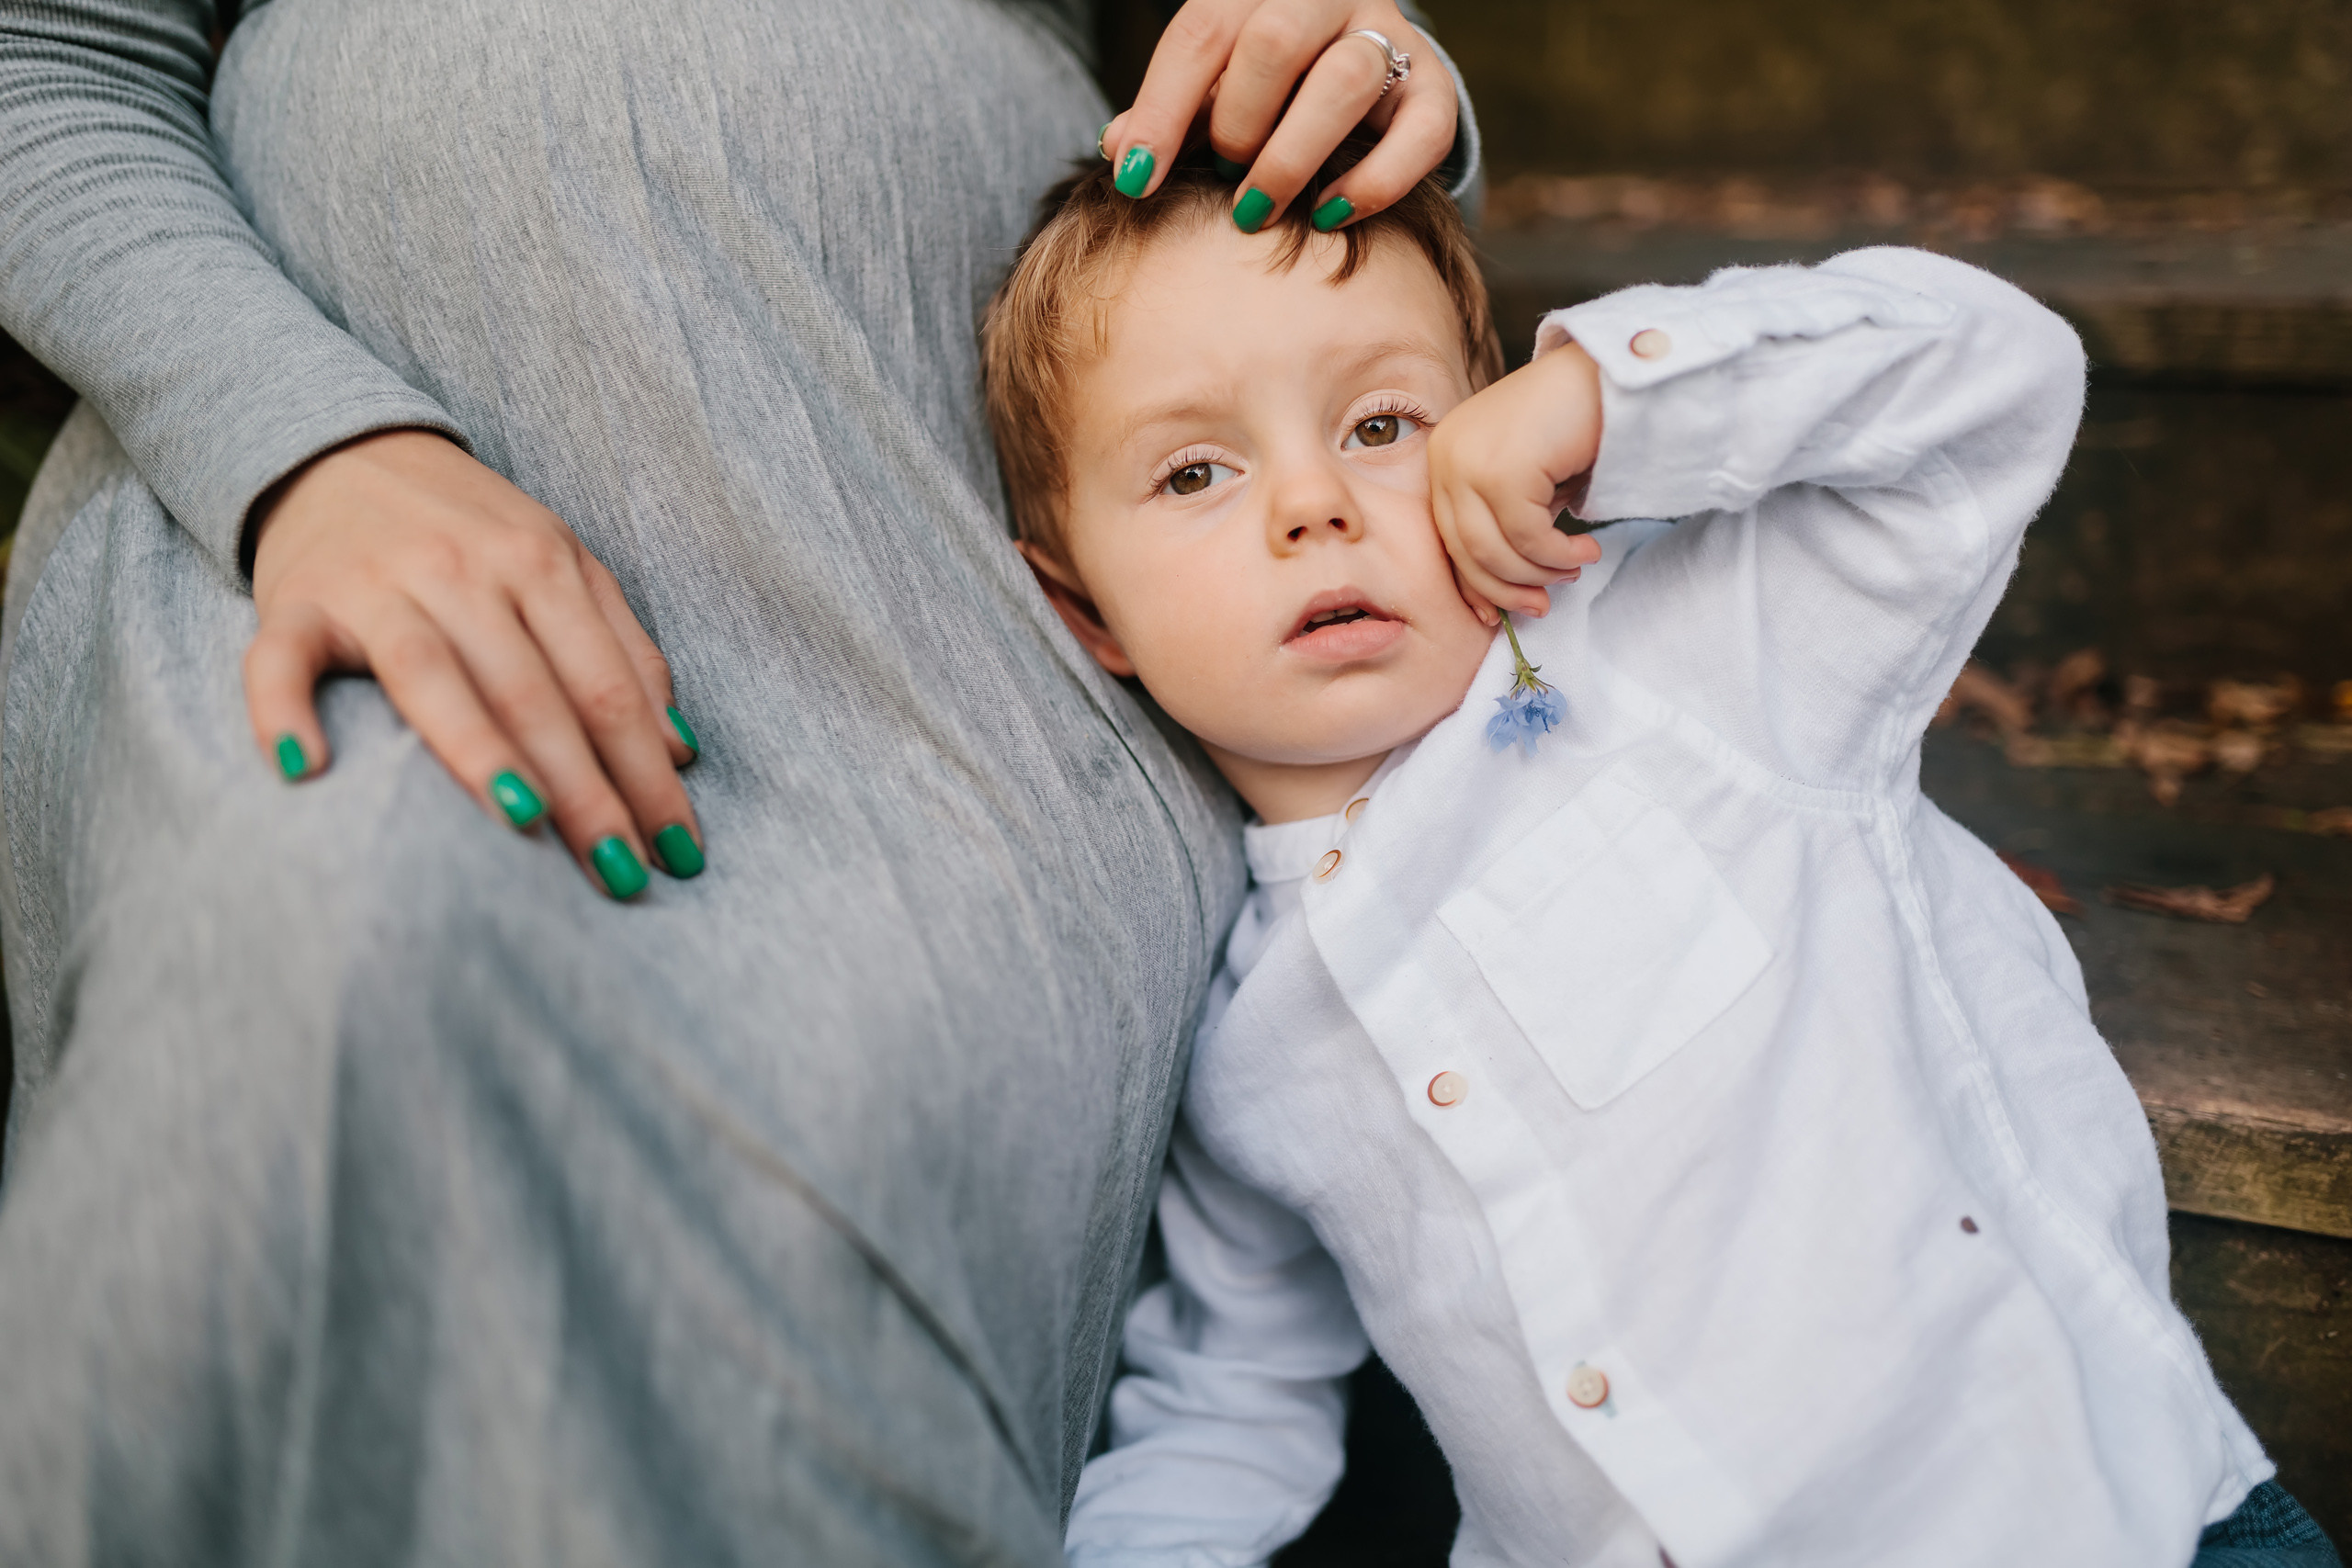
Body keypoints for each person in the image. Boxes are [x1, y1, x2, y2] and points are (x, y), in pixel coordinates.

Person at [0, 2, 1481, 1560]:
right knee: (324, 948)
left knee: (869, 1102)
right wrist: (313, 450)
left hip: (947, 561)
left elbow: (1305, 146)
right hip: (317, 465)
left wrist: (1375, 82)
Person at [979, 149, 2344, 1566]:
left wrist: (1608, 396)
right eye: (1197, 468)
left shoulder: (1694, 658)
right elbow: (1225, 1399)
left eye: (1385, 424)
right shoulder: (1233, 1041)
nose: (1314, 501)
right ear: (1088, 614)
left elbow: (2001, 376)